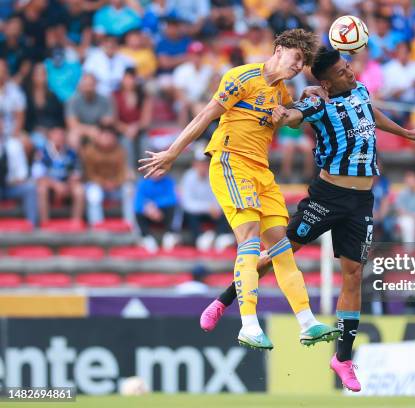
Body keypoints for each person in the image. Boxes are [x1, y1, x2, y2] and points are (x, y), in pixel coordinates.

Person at [197, 46, 415, 391]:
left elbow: (369, 113)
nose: (350, 73)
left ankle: (342, 359)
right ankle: (223, 302)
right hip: (327, 196)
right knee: (281, 250)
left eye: (349, 67)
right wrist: (284, 113)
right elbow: (294, 116)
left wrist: (406, 133)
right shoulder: (316, 102)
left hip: (361, 200)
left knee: (353, 275)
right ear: (325, 81)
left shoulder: (360, 90)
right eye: (341, 72)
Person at [138, 29, 339, 351]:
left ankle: (307, 322)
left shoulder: (281, 92)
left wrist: (301, 103)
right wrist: (174, 152)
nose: (298, 66)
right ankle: (249, 324)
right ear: (278, 49)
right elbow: (206, 114)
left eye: (303, 64)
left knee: (281, 248)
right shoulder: (241, 76)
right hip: (232, 163)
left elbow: (291, 119)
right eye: (296, 58)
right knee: (249, 237)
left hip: (262, 172)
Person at [81, 125, 133, 226]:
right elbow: (89, 173)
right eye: (104, 136)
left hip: (116, 187)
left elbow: (124, 171)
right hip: (96, 185)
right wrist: (103, 183)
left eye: (109, 136)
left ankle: (130, 225)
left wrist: (115, 183)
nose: (107, 139)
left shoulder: (120, 151)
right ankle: (97, 226)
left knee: (129, 190)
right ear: (98, 137)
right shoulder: (89, 151)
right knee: (94, 195)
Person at [32, 127, 84, 225]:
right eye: (55, 134)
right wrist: (55, 185)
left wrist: (67, 185)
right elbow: (38, 175)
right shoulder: (42, 152)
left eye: (61, 134)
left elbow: (77, 173)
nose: (58, 137)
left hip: (67, 185)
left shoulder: (71, 152)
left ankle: (76, 222)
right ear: (49, 137)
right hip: (49, 186)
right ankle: (45, 222)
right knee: (41, 189)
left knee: (79, 190)